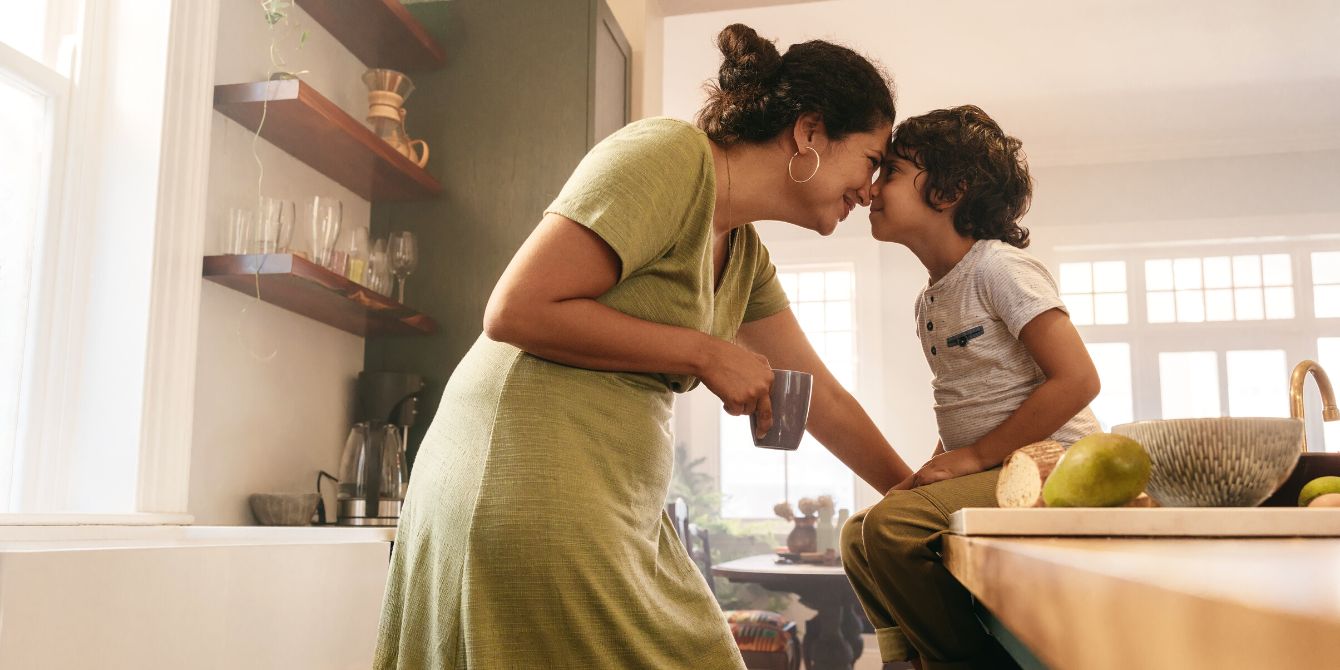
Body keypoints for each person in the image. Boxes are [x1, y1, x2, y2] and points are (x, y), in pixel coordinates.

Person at [375, 24, 912, 669]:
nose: (872, 188)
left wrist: (911, 493)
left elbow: (817, 390)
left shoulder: (744, 254)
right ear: (809, 131)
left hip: (617, 501)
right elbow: (515, 309)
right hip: (524, 476)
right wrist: (708, 354)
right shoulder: (669, 156)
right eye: (872, 160)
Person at [840, 105, 1102, 670]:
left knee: (894, 529)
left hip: (1056, 464)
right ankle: (907, 659)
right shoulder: (931, 299)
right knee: (860, 534)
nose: (871, 188)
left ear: (949, 190)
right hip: (995, 466)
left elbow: (1078, 379)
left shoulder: (999, 269)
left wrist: (975, 457)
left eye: (891, 171)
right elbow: (968, 404)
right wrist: (934, 468)